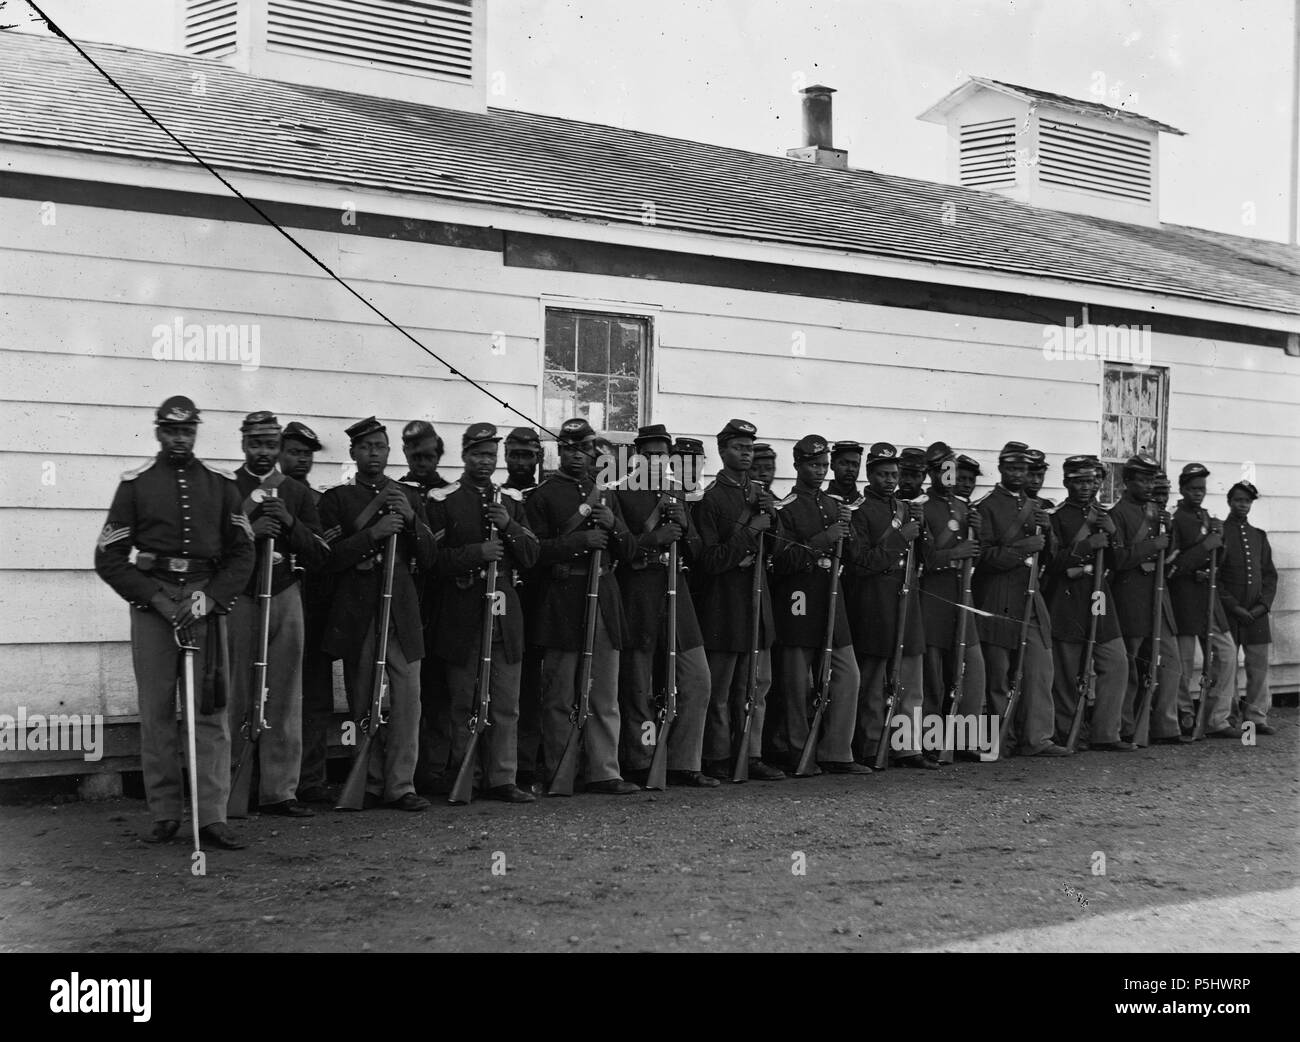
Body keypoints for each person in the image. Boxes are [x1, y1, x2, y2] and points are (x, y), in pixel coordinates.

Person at [94, 396, 255, 848]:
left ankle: (212, 816)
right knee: (157, 711)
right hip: (154, 608)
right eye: (171, 430)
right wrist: (156, 600)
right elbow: (108, 556)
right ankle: (165, 813)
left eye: (187, 431)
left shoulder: (221, 485)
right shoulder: (136, 485)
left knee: (210, 710)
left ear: (196, 432)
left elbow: (243, 552)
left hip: (204, 604)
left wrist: (211, 598)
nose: (179, 438)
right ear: (158, 431)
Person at [319, 417, 436, 811]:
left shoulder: (410, 496)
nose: (374, 454)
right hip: (359, 611)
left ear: (390, 452)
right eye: (366, 447)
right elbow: (329, 559)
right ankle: (365, 780)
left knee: (408, 699)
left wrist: (412, 519)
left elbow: (431, 557)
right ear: (353, 453)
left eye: (380, 447)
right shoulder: (336, 500)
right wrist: (374, 533)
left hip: (401, 611)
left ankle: (401, 784)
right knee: (361, 701)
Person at [524, 418, 640, 795]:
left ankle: (605, 771)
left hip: (602, 598)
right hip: (563, 598)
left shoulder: (605, 494)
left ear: (594, 452)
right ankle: (562, 770)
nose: (577, 455)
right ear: (559, 451)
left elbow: (631, 550)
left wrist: (614, 526)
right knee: (560, 692)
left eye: (584, 449)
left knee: (603, 692)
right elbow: (533, 552)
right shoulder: (543, 496)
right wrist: (580, 541)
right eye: (570, 448)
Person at [425, 423, 540, 802]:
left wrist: (508, 525)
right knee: (464, 701)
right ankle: (467, 776)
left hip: (504, 609)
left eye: (490, 455)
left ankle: (502, 778)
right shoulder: (443, 500)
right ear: (464, 456)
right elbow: (432, 561)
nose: (484, 462)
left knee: (505, 701)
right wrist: (477, 554)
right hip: (462, 609)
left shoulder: (512, 501)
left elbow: (531, 554)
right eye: (477, 454)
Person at [228, 411, 327, 817]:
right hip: (241, 597)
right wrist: (252, 528)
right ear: (244, 444)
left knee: (284, 696)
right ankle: (235, 785)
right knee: (239, 693)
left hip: (285, 594)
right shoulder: (228, 488)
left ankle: (280, 790)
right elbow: (215, 549)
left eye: (271, 445)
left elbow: (321, 552)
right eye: (256, 444)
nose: (263, 452)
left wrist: (288, 522)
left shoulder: (296, 493)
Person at [613, 425, 718, 788]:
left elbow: (698, 551)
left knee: (696, 677)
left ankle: (684, 761)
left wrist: (685, 526)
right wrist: (651, 537)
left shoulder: (678, 491)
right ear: (636, 454)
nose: (657, 459)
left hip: (677, 589)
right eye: (650, 453)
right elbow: (619, 552)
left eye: (663, 453)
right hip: (638, 592)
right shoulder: (620, 492)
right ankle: (642, 760)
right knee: (639, 684)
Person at [769, 436, 869, 775]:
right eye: (814, 465)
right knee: (798, 684)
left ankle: (837, 751)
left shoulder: (833, 504)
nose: (821, 471)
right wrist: (822, 541)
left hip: (831, 597)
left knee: (847, 675)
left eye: (824, 465)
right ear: (797, 464)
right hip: (800, 599)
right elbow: (781, 561)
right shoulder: (787, 507)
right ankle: (799, 751)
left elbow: (853, 556)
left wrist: (847, 532)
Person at [692, 420, 784, 781]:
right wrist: (750, 532)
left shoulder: (761, 495)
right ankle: (717, 756)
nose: (746, 453)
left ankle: (753, 753)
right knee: (720, 690)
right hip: (724, 607)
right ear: (723, 451)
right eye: (738, 447)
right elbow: (710, 560)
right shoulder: (712, 498)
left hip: (757, 605)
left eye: (749, 447)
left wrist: (771, 519)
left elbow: (777, 551)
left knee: (756, 688)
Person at [973, 442, 1067, 757]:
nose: (1018, 474)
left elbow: (1051, 559)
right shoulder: (985, 506)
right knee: (998, 673)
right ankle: (1002, 739)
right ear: (1001, 469)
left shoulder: (1037, 506)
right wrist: (1023, 548)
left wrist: (1048, 533)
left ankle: (1038, 738)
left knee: (1040, 667)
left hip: (1030, 594)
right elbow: (982, 558)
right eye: (1012, 468)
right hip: (997, 595)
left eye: (1023, 470)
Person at [845, 442, 931, 768]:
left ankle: (907, 747)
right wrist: (901, 537)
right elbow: (862, 562)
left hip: (907, 603)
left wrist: (921, 531)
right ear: (869, 474)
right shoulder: (859, 510)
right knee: (873, 685)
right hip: (874, 605)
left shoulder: (906, 509)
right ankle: (870, 746)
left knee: (910, 681)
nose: (889, 480)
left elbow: (927, 558)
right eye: (882, 474)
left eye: (894, 474)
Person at [1042, 455, 1130, 750]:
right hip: (1068, 600)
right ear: (1066, 482)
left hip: (1099, 597)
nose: (1086, 487)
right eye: (1078, 481)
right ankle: (1068, 733)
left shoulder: (1106, 516)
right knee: (1067, 672)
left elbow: (1120, 561)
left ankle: (1106, 733)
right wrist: (1086, 546)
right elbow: (1052, 562)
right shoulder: (1057, 517)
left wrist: (1114, 534)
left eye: (1091, 481)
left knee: (1116, 662)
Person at [1107, 454, 1188, 746]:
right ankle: (1127, 727)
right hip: (1132, 598)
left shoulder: (1157, 512)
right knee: (1130, 665)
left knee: (1170, 662)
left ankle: (1165, 726)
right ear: (1127, 482)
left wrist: (1169, 532)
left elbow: (1170, 554)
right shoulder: (1117, 514)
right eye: (1142, 479)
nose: (1148, 485)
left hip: (1159, 599)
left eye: (1152, 479)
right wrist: (1152, 545)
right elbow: (1117, 559)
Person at [277, 421, 337, 803]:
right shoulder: (267, 495)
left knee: (315, 696)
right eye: (294, 451)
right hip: (277, 606)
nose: (301, 459)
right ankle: (273, 781)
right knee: (278, 693)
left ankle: (311, 780)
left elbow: (329, 552)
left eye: (307, 453)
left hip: (314, 607)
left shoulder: (320, 502)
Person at [918, 442, 986, 753]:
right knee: (934, 676)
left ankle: (967, 740)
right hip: (935, 599)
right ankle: (932, 742)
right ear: (931, 473)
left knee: (971, 671)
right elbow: (926, 559)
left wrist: (977, 537)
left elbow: (975, 558)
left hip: (963, 596)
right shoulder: (921, 507)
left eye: (952, 469)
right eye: (942, 470)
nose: (949, 475)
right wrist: (954, 553)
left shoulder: (964, 508)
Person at [397, 420, 451, 795]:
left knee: (439, 689)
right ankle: (404, 771)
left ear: (439, 454)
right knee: (406, 693)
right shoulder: (397, 491)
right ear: (405, 454)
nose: (422, 462)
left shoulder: (451, 493)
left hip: (443, 601)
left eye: (429, 455)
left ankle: (434, 769)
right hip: (407, 600)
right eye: (415, 455)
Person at [1168, 463, 1239, 739]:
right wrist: (1205, 548)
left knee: (1227, 653)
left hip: (1209, 598)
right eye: (1193, 489)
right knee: (1183, 664)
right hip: (1185, 599)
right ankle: (1185, 714)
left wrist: (1218, 546)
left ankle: (1216, 717)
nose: (1198, 494)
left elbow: (1218, 558)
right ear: (1183, 489)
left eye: (1202, 489)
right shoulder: (1176, 520)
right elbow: (1173, 566)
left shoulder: (1209, 518)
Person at [501, 426, 546, 791]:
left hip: (543, 597)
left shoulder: (545, 494)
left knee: (540, 686)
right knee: (513, 684)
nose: (520, 462)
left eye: (527, 455)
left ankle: (534, 762)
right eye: (514, 454)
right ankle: (511, 765)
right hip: (508, 600)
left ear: (538, 457)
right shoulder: (497, 496)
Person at [1219, 481, 1277, 735]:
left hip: (1256, 614)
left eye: (1247, 501)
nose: (1243, 505)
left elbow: (1269, 576)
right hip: (1230, 613)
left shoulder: (1258, 536)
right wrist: (1233, 606)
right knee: (1227, 666)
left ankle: (1255, 717)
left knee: (1258, 666)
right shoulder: (1219, 532)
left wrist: (1262, 606)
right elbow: (1216, 578)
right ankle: (1228, 716)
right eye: (1238, 500)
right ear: (1229, 502)